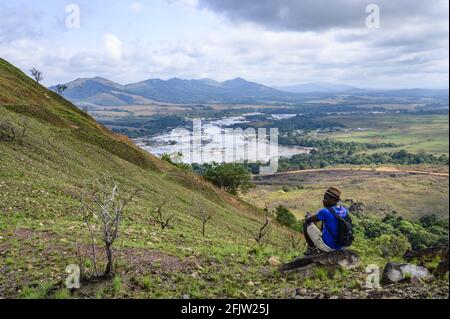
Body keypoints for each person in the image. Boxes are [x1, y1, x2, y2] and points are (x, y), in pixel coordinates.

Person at [303, 186, 350, 255]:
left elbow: (308, 220)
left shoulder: (325, 211)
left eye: (325, 198)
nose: (323, 200)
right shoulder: (344, 210)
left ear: (333, 199)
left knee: (306, 224)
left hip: (329, 248)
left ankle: (311, 249)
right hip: (341, 246)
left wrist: (309, 216)